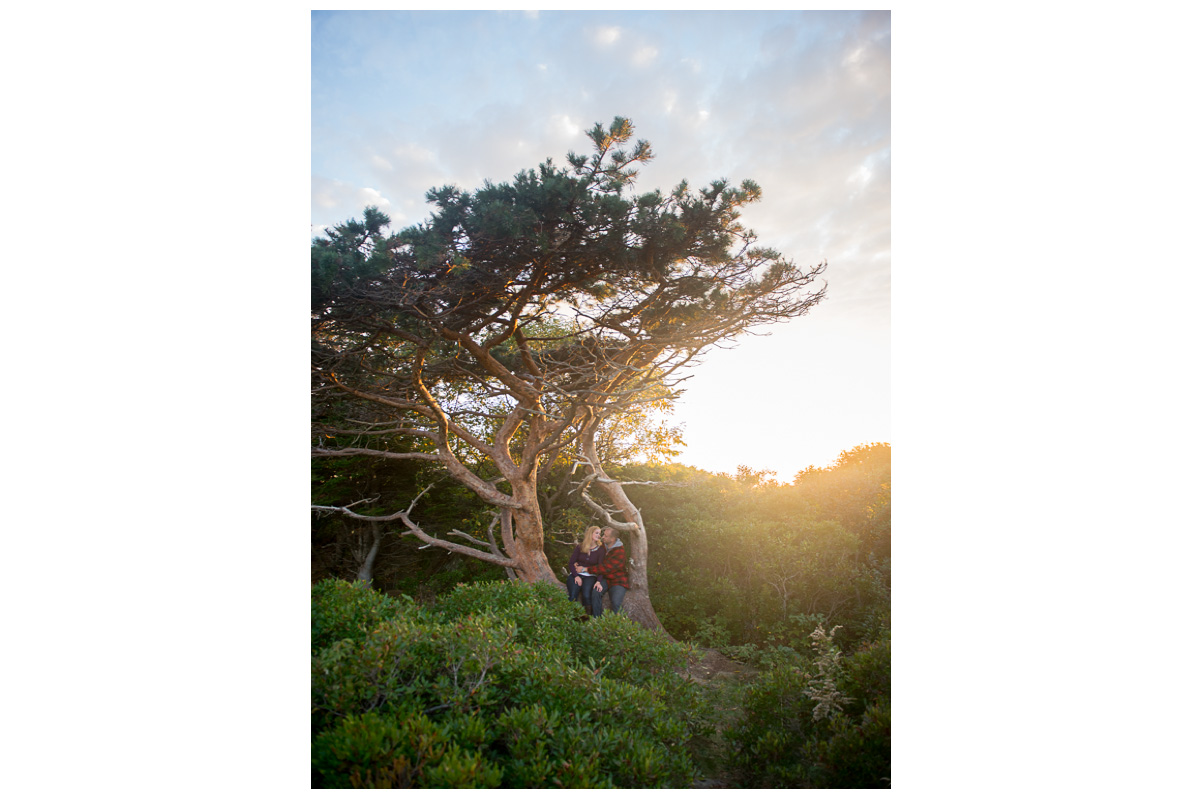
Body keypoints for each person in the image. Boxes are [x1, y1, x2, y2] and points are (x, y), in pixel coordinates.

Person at [590, 527, 629, 617]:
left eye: (605, 536)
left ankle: (617, 629)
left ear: (612, 539)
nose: (602, 537)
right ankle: (596, 621)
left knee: (615, 602)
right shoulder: (603, 547)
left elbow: (607, 568)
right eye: (603, 534)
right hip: (605, 578)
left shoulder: (620, 551)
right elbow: (593, 558)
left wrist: (587, 569)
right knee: (596, 592)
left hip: (618, 580)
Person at [566, 525, 606, 609]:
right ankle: (570, 617)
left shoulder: (600, 550)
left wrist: (598, 581)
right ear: (590, 534)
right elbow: (571, 563)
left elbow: (601, 567)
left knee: (586, 596)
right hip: (576, 574)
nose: (599, 535)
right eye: (597, 533)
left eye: (600, 533)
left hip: (590, 576)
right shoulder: (580, 547)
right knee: (573, 594)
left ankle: (587, 619)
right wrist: (576, 576)